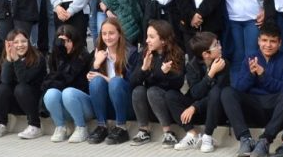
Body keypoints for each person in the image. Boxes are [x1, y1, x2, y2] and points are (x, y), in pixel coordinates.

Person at [221, 23, 283, 157]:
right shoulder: (250, 58)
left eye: (273, 41)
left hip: (275, 107)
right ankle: (245, 138)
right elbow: (239, 88)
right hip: (253, 104)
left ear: (280, 43)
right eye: (264, 40)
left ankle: (265, 140)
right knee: (227, 92)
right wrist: (251, 74)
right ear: (258, 41)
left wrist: (263, 75)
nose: (268, 45)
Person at [129, 20, 188, 146]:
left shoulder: (177, 54)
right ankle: (143, 130)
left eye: (151, 37)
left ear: (163, 40)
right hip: (149, 107)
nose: (147, 40)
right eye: (147, 36)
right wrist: (143, 69)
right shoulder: (146, 53)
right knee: (138, 90)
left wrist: (167, 73)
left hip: (168, 106)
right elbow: (132, 82)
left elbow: (178, 84)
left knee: (153, 91)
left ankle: (168, 133)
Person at [83, 17, 141, 145]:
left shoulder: (131, 53)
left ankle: (121, 127)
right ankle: (101, 126)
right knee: (96, 81)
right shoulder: (99, 53)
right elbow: (92, 82)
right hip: (106, 106)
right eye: (104, 34)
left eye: (111, 33)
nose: (107, 37)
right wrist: (96, 64)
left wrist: (105, 78)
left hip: (126, 106)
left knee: (115, 82)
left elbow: (130, 82)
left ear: (119, 34)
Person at [174, 31, 230, 152]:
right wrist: (210, 74)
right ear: (206, 54)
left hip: (215, 112)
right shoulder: (192, 66)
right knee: (170, 96)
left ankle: (207, 136)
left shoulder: (223, 63)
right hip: (197, 110)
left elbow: (218, 92)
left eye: (218, 43)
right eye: (216, 45)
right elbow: (196, 93)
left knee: (215, 92)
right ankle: (191, 134)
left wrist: (194, 107)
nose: (220, 46)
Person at [0, 29, 47, 138]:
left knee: (20, 88)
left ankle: (35, 125)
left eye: (24, 41)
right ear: (9, 44)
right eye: (15, 42)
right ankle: (1, 124)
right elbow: (5, 80)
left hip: (33, 101)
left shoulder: (38, 58)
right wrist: (8, 59)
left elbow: (24, 79)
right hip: (15, 102)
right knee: (1, 88)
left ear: (28, 42)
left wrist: (16, 59)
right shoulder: (6, 57)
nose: (20, 45)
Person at [41, 25, 90, 142]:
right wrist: (61, 56)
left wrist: (63, 58)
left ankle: (81, 127)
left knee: (68, 92)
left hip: (83, 104)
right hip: (65, 107)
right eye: (61, 41)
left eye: (68, 41)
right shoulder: (55, 57)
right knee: (50, 93)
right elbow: (50, 82)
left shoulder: (82, 56)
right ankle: (60, 127)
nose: (65, 45)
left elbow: (67, 79)